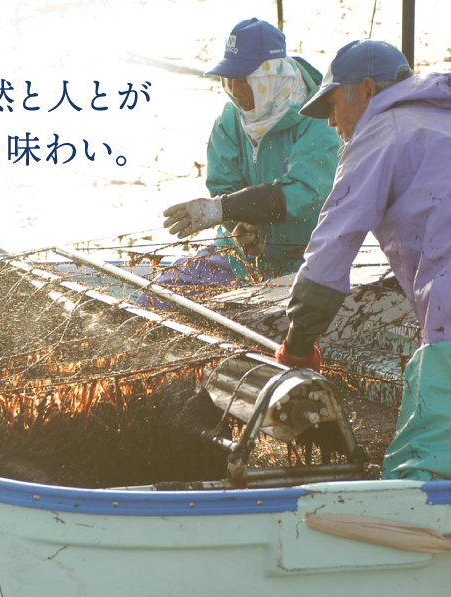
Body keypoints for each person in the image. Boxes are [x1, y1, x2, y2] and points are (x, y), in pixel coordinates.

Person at [274, 38, 451, 481]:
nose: (331, 121)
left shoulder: (382, 131)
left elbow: (333, 242)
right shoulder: (438, 118)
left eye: (333, 104)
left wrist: (298, 344)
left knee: (421, 471)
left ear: (368, 90)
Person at [157, 17, 341, 300]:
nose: (237, 92)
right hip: (238, 260)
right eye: (230, 80)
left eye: (245, 81)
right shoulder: (230, 119)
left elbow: (305, 193)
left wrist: (222, 210)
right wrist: (241, 229)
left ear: (272, 77)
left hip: (303, 266)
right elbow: (223, 186)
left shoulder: (319, 122)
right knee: (159, 295)